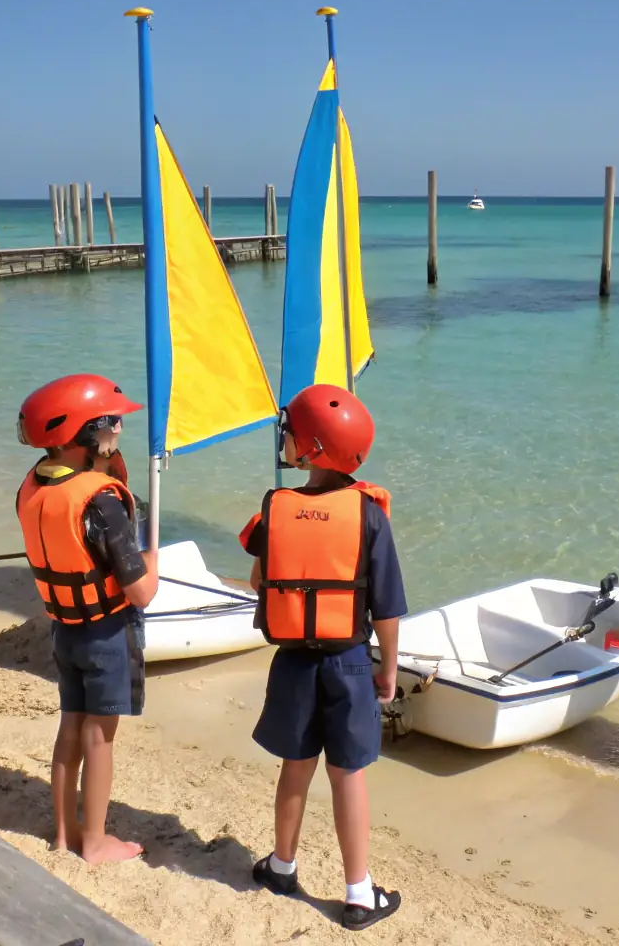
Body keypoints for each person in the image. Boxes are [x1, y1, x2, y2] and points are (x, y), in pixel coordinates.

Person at [240, 383, 405, 931]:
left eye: (290, 431)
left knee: (296, 768)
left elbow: (260, 581)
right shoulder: (370, 516)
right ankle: (359, 894)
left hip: (293, 665)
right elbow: (387, 605)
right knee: (347, 776)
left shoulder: (275, 510)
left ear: (310, 449)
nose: (284, 437)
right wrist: (387, 669)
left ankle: (282, 865)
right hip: (350, 662)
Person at [15, 373, 160, 865]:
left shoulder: (33, 484)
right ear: (86, 434)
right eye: (112, 424)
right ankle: (95, 842)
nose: (118, 432)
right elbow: (141, 591)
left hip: (65, 631)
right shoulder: (100, 499)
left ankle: (63, 831)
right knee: (100, 737)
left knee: (71, 728)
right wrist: (153, 561)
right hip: (105, 634)